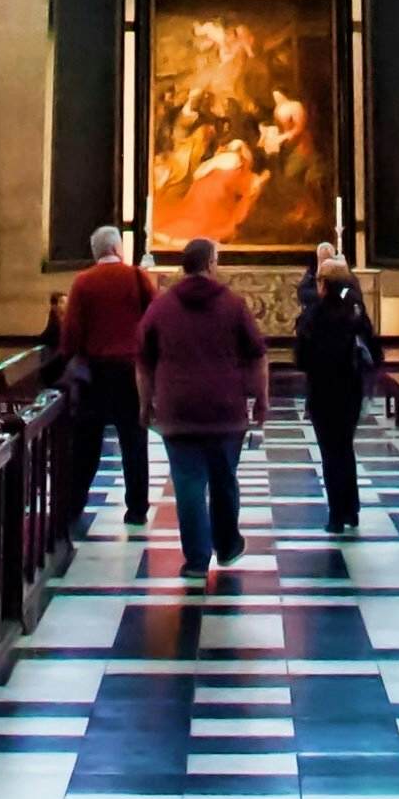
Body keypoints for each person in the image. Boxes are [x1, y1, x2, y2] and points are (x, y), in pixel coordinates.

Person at [137, 237, 268, 573]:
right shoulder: (234, 305)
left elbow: (144, 361)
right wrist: (261, 400)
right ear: (210, 263)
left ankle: (196, 558)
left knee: (188, 483)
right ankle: (226, 546)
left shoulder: (161, 307)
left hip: (177, 409)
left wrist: (144, 404)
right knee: (224, 479)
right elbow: (257, 356)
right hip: (225, 409)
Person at [56, 222, 160, 536]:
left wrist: (70, 357)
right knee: (134, 440)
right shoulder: (136, 277)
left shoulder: (84, 282)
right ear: (117, 248)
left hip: (96, 372)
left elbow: (72, 331)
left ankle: (74, 506)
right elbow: (155, 318)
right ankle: (137, 509)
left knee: (87, 442)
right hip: (130, 370)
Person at [291, 244, 377, 531]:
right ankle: (351, 509)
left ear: (323, 284)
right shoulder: (355, 312)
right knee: (344, 448)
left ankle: (336, 515)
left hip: (322, 391)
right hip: (350, 389)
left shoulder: (313, 315)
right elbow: (374, 352)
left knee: (330, 452)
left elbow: (300, 358)